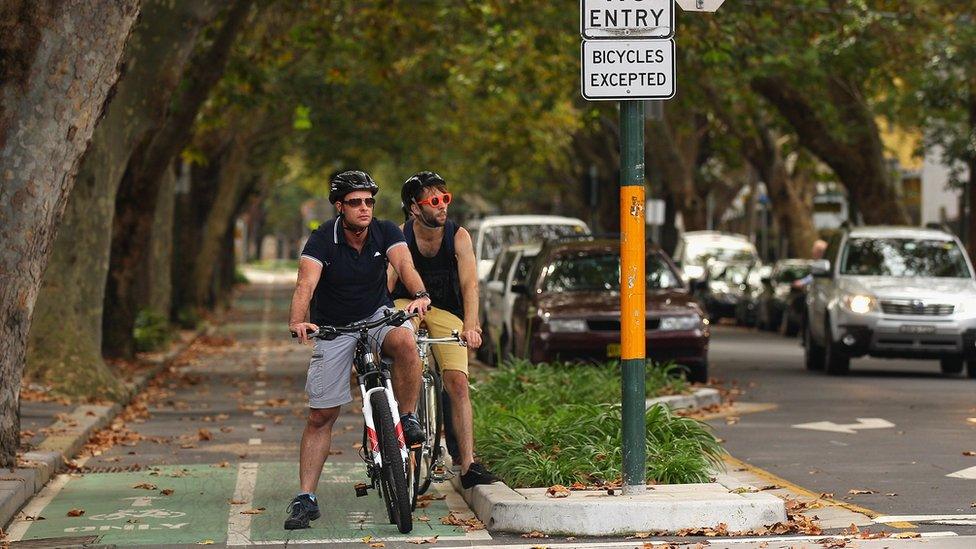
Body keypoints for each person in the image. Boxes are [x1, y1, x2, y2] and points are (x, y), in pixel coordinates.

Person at [285, 170, 432, 530]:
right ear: (339, 207)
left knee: (405, 341)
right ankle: (306, 497)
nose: (364, 208)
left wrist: (420, 295)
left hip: (376, 315)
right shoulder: (322, 239)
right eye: (355, 202)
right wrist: (298, 320)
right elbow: (306, 283)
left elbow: (405, 265)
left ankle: (407, 417)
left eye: (369, 201)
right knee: (322, 415)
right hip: (335, 326)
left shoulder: (386, 232)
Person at [388, 171, 498, 489]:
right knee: (403, 347)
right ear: (414, 208)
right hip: (407, 305)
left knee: (458, 383)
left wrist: (471, 326)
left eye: (445, 199)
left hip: (447, 310)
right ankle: (403, 443)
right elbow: (388, 282)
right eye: (434, 200)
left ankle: (467, 464)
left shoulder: (458, 236)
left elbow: (470, 285)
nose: (442, 206)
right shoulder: (400, 235)